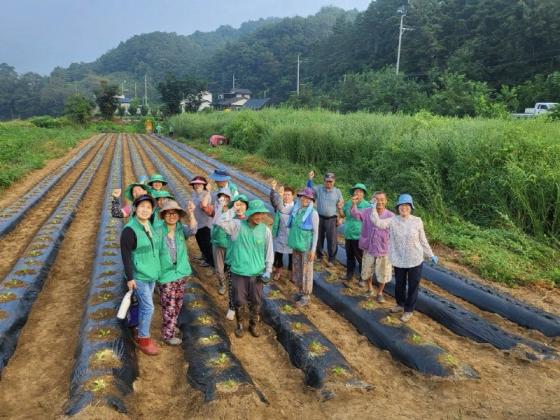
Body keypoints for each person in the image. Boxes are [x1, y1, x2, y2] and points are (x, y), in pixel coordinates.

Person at [366, 193, 438, 322]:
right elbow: (378, 223)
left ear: (411, 207)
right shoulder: (393, 220)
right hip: (399, 259)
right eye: (401, 206)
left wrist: (430, 254)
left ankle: (408, 310)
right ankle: (400, 304)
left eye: (406, 205)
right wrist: (374, 208)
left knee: (413, 285)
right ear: (398, 207)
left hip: (415, 259)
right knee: (399, 284)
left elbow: (423, 240)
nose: (404, 208)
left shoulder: (417, 221)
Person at [215, 199, 273, 338]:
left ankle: (253, 325)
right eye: (256, 214)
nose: (259, 217)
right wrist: (233, 210)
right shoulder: (237, 226)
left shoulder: (265, 230)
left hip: (257, 273)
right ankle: (240, 324)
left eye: (261, 214)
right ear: (250, 214)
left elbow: (269, 251)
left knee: (256, 301)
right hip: (239, 272)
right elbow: (220, 222)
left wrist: (268, 270)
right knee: (239, 300)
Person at [120, 194, 161, 355]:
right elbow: (126, 255)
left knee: (146, 305)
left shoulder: (148, 225)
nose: (145, 210)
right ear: (135, 208)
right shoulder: (130, 230)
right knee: (148, 307)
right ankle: (143, 338)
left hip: (151, 273)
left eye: (148, 207)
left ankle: (139, 328)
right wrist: (130, 278)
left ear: (152, 211)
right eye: (142, 206)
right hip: (139, 276)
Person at [156, 199, 197, 345]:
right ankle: (168, 334)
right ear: (163, 215)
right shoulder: (158, 230)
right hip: (165, 274)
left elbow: (193, 230)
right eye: (168, 213)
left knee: (178, 303)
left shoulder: (181, 229)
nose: (171, 216)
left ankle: (171, 327)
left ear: (179, 215)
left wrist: (191, 213)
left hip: (181, 272)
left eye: (175, 213)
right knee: (169, 304)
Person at [350, 191, 394, 302]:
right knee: (367, 270)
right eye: (376, 199)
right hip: (369, 248)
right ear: (373, 201)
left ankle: (380, 293)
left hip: (383, 249)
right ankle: (369, 289)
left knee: (383, 273)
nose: (379, 202)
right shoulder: (367, 212)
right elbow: (355, 214)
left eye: (382, 199)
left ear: (386, 201)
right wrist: (354, 204)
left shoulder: (391, 216)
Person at [288, 187, 319, 308]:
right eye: (302, 197)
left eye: (307, 197)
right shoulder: (298, 210)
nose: (304, 199)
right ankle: (300, 291)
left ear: (312, 199)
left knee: (306, 271)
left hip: (306, 247)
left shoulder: (313, 213)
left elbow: (316, 232)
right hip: (297, 245)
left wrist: (313, 250)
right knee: (298, 269)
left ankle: (306, 296)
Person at [307, 171, 343, 266]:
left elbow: (340, 205)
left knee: (332, 240)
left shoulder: (337, 192)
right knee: (318, 237)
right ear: (324, 181)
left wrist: (340, 218)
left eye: (331, 181)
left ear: (334, 181)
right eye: (327, 181)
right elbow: (309, 189)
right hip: (319, 217)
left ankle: (332, 258)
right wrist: (310, 179)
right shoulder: (319, 189)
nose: (329, 183)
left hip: (332, 219)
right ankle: (319, 256)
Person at [338, 183, 371, 283]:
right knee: (350, 256)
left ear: (363, 194)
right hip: (348, 234)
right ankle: (349, 275)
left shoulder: (367, 206)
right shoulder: (348, 203)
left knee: (361, 258)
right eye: (356, 191)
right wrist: (339, 208)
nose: (358, 193)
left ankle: (362, 278)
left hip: (359, 236)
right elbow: (343, 215)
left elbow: (368, 221)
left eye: (360, 191)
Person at [203, 187, 233, 295]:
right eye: (221, 196)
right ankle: (223, 285)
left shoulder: (233, 212)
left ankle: (231, 285)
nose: (223, 199)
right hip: (217, 242)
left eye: (225, 197)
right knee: (219, 267)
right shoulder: (217, 210)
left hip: (229, 244)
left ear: (229, 199)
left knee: (230, 266)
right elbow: (214, 222)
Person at [224, 194, 249, 320]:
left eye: (242, 204)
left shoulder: (250, 221)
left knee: (245, 286)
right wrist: (232, 209)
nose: (240, 207)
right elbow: (220, 222)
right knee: (232, 285)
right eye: (237, 204)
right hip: (232, 259)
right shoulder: (230, 221)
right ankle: (232, 307)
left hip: (247, 260)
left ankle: (243, 306)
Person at [269, 180, 295, 281]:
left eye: (289, 195)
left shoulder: (296, 207)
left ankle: (292, 273)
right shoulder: (279, 206)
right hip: (280, 234)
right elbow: (273, 200)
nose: (286, 197)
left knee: (292, 256)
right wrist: (273, 189)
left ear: (293, 196)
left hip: (291, 235)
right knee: (278, 254)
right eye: (285, 195)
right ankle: (278, 271)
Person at [189, 176, 214, 268]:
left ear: (204, 185)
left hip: (205, 224)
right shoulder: (194, 194)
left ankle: (211, 262)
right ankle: (205, 257)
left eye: (200, 184)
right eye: (195, 184)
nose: (197, 185)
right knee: (200, 243)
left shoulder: (206, 195)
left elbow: (204, 204)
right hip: (197, 224)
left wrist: (208, 191)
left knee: (207, 244)